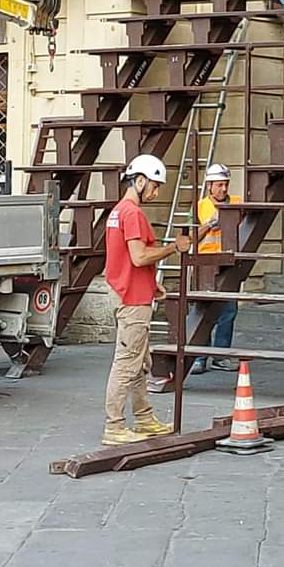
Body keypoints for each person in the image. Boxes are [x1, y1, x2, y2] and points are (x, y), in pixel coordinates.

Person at [102, 153, 190, 445]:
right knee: (127, 364)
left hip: (131, 294)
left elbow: (125, 260)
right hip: (134, 302)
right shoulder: (133, 213)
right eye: (154, 185)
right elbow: (139, 257)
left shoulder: (117, 212)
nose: (156, 192)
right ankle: (114, 426)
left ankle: (144, 419)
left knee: (140, 363)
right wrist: (172, 248)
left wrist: (152, 285)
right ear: (139, 180)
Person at [193, 163, 242, 374]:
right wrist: (208, 225)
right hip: (205, 264)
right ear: (210, 186)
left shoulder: (238, 203)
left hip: (228, 263)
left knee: (229, 310)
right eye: (220, 185)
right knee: (205, 310)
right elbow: (191, 237)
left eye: (226, 184)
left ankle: (221, 355)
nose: (224, 189)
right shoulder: (200, 206)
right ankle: (200, 357)